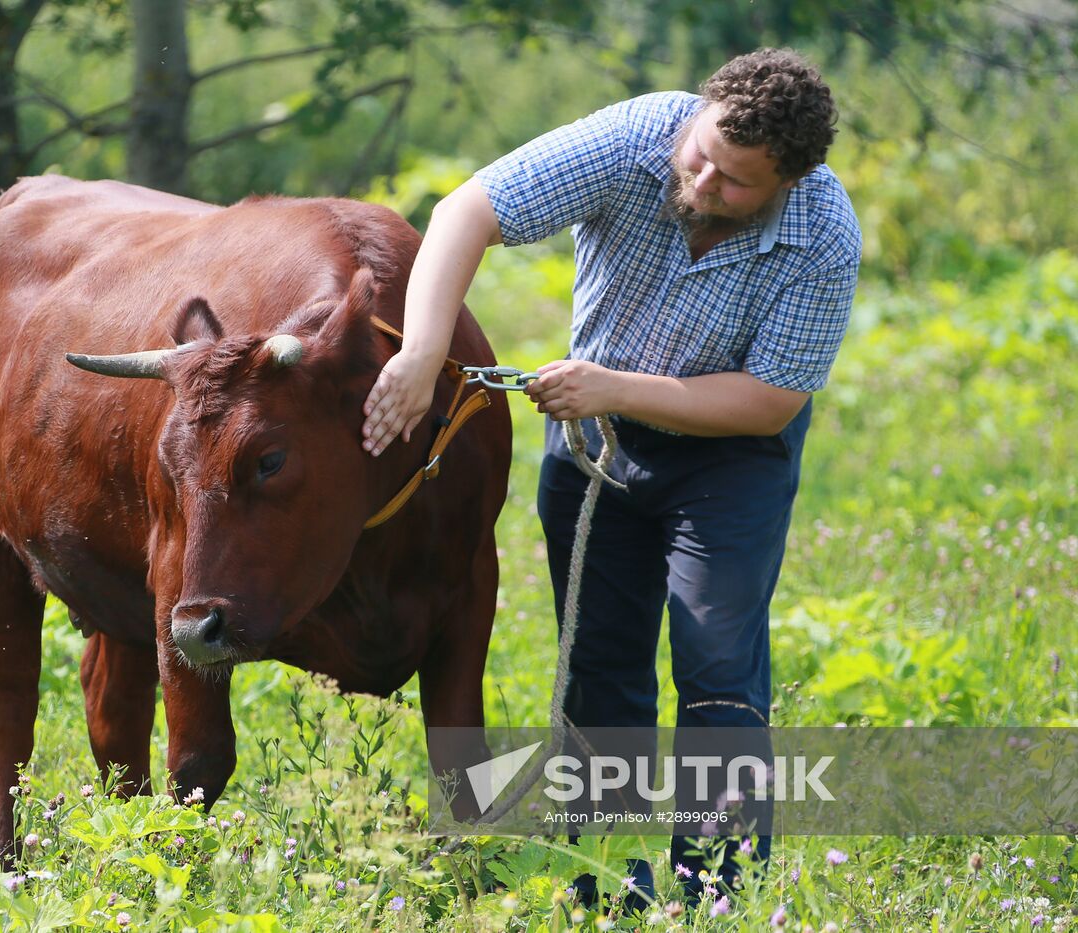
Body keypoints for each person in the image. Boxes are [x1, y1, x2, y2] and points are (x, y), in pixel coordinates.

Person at [361, 48, 861, 908]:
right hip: (596, 447)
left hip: (729, 456)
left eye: (736, 182)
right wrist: (422, 351)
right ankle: (608, 881)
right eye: (700, 155)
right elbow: (465, 211)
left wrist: (613, 385)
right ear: (695, 115)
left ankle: (719, 888)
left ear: (789, 180)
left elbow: (771, 402)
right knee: (600, 660)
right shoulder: (636, 138)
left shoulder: (823, 235)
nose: (703, 184)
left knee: (714, 657)